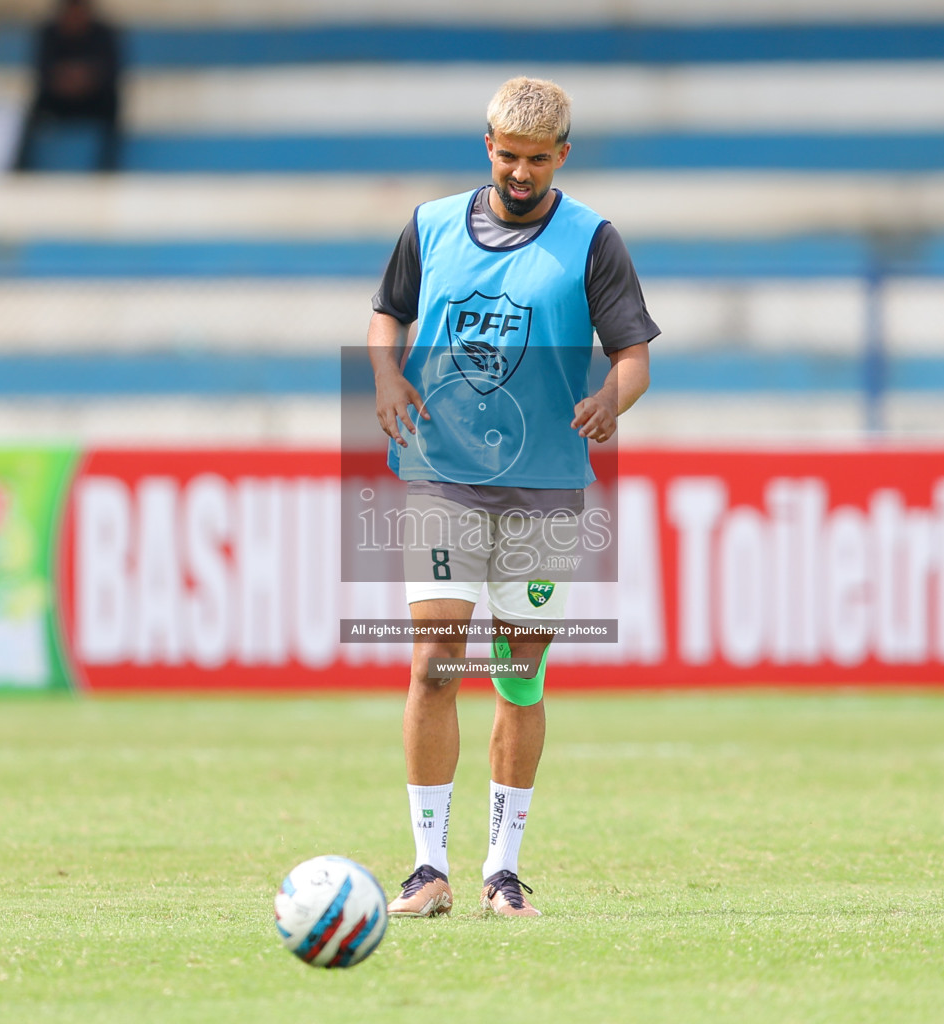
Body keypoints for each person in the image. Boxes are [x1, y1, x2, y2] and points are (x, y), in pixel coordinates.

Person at [366, 77, 657, 917]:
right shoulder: (428, 226)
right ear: (486, 146)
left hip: (545, 488)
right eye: (507, 156)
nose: (520, 171)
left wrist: (612, 397)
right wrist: (385, 371)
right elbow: (388, 314)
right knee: (434, 664)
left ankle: (501, 868)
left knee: (518, 676)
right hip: (441, 476)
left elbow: (633, 354)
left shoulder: (592, 242)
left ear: (562, 155)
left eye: (537, 159)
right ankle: (427, 868)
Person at [15, 0, 123, 172]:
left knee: (113, 104)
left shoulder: (104, 34)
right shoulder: (49, 33)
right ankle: (21, 168)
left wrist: (83, 79)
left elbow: (109, 72)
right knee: (27, 114)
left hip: (94, 101)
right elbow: (42, 72)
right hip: (57, 100)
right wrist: (70, 79)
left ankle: (108, 168)